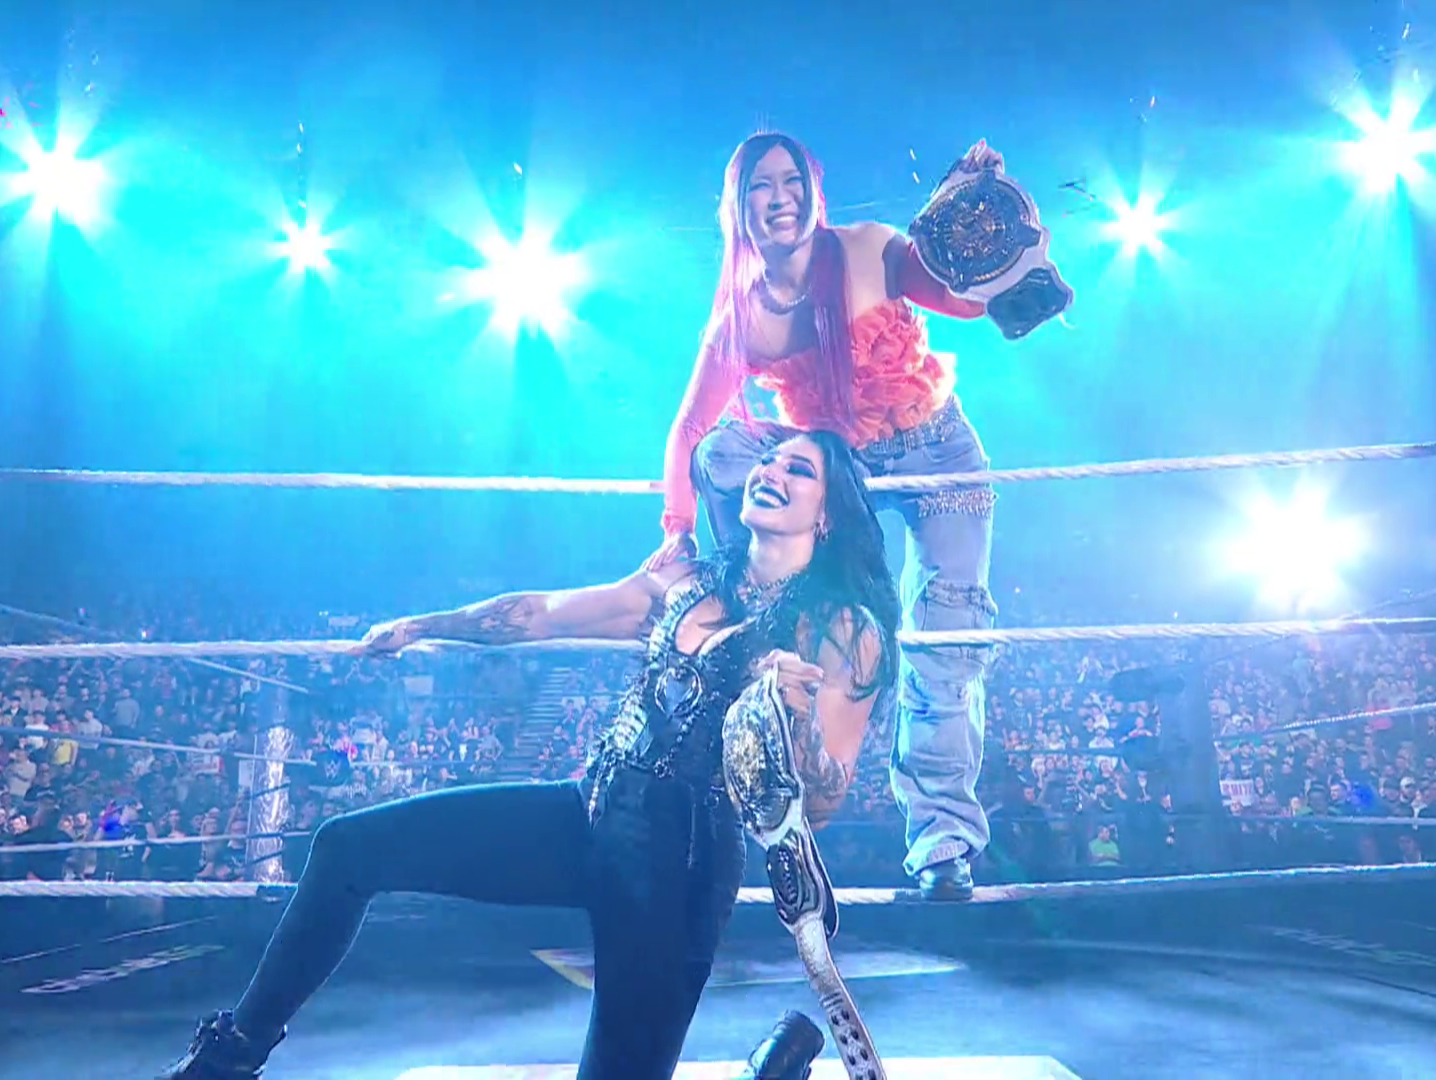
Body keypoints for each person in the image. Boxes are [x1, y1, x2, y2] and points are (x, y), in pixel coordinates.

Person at [159, 431, 901, 1080]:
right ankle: (229, 1058)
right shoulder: (685, 579)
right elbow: (542, 612)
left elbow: (825, 799)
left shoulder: (842, 629)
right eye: (770, 459)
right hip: (593, 810)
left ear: (828, 513)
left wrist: (793, 722)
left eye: (799, 469)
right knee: (347, 849)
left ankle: (771, 1069)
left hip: (680, 867)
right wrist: (426, 625)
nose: (772, 471)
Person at [646, 131, 1073, 899]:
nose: (780, 198)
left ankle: (942, 842)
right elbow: (690, 431)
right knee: (724, 455)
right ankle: (757, 586)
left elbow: (958, 299)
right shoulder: (743, 318)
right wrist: (677, 531)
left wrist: (993, 246)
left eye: (791, 181)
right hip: (840, 468)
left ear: (812, 189)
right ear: (739, 207)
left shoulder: (868, 248)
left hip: (937, 449)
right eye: (761, 186)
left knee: (948, 634)